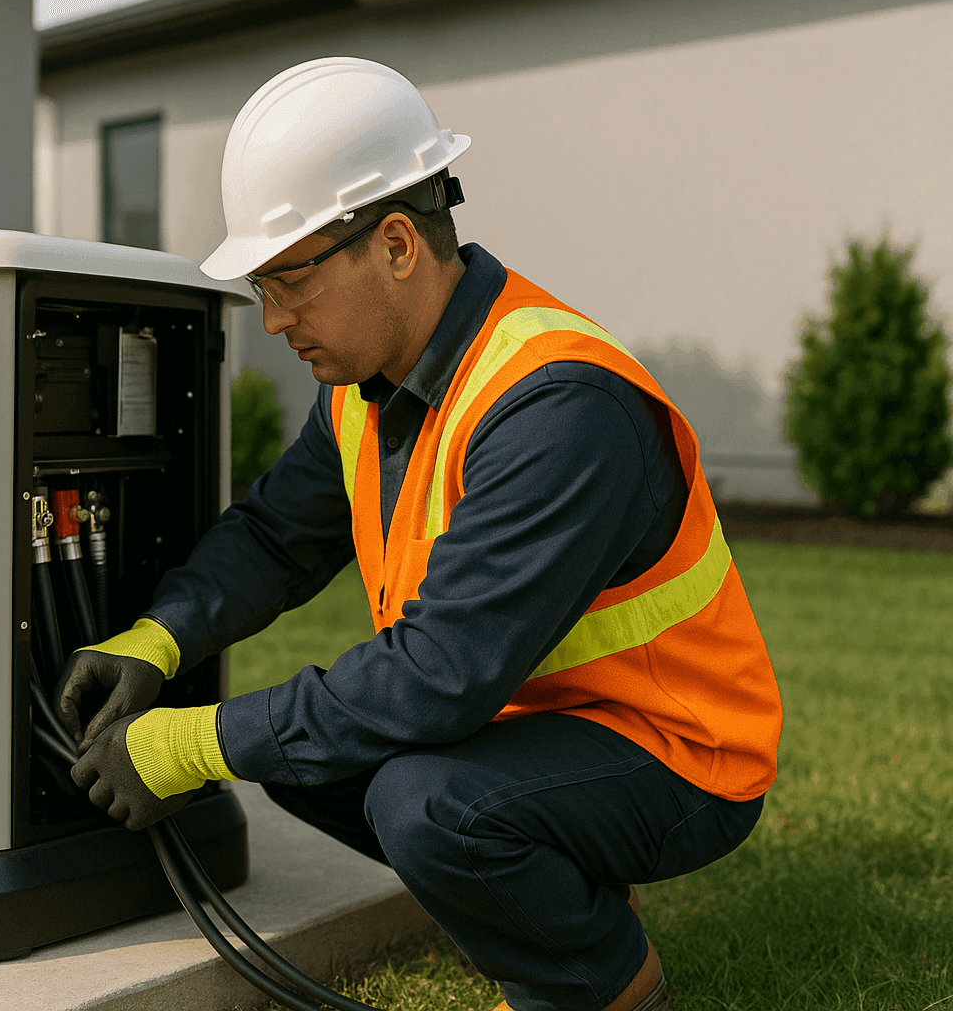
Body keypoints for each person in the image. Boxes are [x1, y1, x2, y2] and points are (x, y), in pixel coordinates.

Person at [58, 57, 783, 1011]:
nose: (273, 320)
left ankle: (605, 985)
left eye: (289, 281)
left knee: (424, 804)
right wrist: (159, 639)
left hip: (680, 751)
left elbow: (440, 675)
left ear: (396, 243)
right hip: (531, 722)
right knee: (307, 764)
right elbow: (278, 535)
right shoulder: (368, 388)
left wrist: (193, 745)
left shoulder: (558, 406)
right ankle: (551, 881)